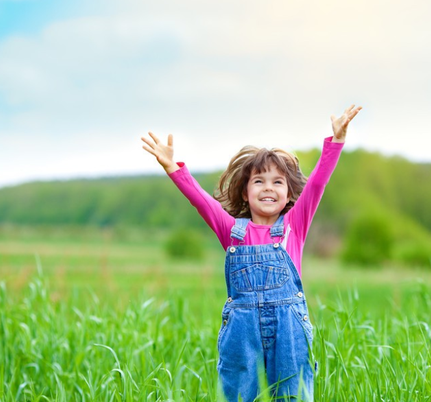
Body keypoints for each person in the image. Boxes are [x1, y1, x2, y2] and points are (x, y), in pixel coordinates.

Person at [141, 105, 362, 401]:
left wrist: (335, 142)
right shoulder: (233, 230)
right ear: (245, 192)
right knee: (240, 395)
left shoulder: (294, 225)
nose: (268, 188)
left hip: (289, 334)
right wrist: (173, 168)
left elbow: (318, 184)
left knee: (292, 395)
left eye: (277, 182)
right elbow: (202, 202)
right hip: (242, 336)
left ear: (287, 194)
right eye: (258, 181)